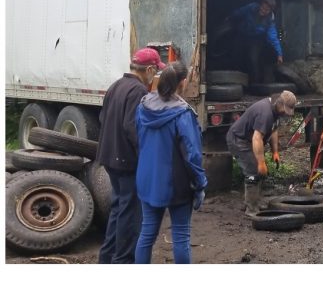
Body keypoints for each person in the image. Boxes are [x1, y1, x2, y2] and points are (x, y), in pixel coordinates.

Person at [96, 47, 165, 264]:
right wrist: (147, 159)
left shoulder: (115, 86)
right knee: (130, 213)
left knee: (119, 208)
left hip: (108, 157)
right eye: (155, 72)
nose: (154, 76)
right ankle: (123, 260)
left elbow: (102, 118)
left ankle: (106, 258)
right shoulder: (138, 92)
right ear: (150, 69)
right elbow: (133, 128)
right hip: (126, 161)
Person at [134, 62, 208, 264]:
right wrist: (200, 183)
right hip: (175, 185)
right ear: (183, 83)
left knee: (147, 233)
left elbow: (138, 138)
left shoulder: (143, 106)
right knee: (181, 236)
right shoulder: (183, 114)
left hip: (147, 179)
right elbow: (192, 155)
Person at [226, 90, 296, 217]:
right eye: (284, 109)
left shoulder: (275, 112)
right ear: (279, 103)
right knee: (253, 171)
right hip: (238, 139)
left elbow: (273, 130)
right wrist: (261, 162)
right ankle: (251, 210)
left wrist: (275, 152)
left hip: (248, 139)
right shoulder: (265, 112)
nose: (285, 113)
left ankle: (254, 202)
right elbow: (257, 138)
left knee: (259, 170)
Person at [228, 0, 283, 83]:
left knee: (253, 59)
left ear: (270, 11)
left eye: (266, 10)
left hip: (255, 40)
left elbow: (273, 38)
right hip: (242, 34)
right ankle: (234, 80)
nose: (263, 10)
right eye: (263, 7)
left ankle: (254, 84)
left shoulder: (270, 21)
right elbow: (239, 13)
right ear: (261, 4)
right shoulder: (251, 8)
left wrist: (279, 54)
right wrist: (229, 19)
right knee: (236, 55)